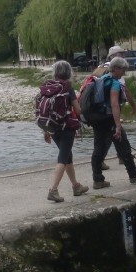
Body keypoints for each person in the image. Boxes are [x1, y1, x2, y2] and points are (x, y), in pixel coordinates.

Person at [90, 57, 136, 188]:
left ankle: (98, 180)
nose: (124, 73)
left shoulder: (101, 79)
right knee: (124, 145)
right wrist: (117, 125)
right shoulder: (114, 83)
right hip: (109, 119)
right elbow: (114, 105)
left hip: (98, 119)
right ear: (116, 68)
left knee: (99, 148)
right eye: (123, 70)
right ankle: (134, 174)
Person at [41, 61, 89, 203]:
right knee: (63, 158)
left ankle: (75, 186)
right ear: (68, 72)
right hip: (66, 128)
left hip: (53, 127)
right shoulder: (67, 88)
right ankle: (53, 190)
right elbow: (78, 109)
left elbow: (45, 111)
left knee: (68, 156)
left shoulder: (48, 87)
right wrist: (84, 118)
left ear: (55, 72)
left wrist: (46, 130)